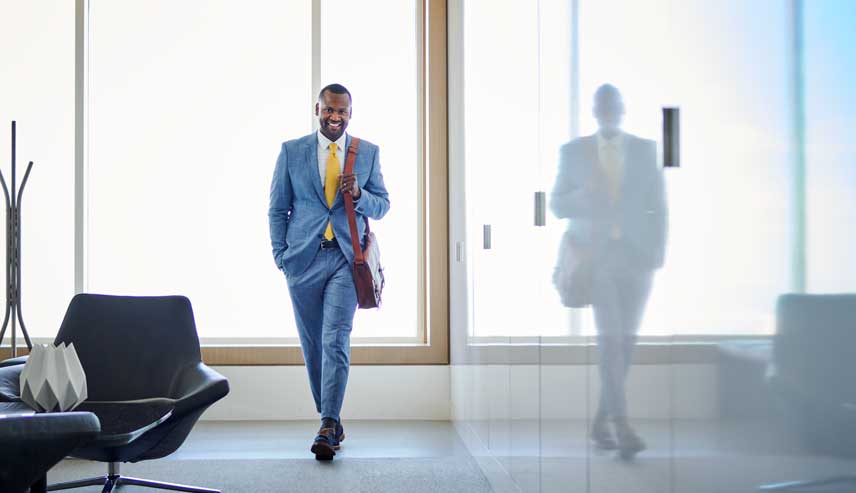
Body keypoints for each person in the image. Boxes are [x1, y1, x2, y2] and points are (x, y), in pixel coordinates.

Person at [268, 83, 390, 460]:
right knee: (313, 344)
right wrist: (281, 256)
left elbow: (383, 206)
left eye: (342, 111)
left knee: (335, 337)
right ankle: (331, 419)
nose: (335, 117)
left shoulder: (366, 153)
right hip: (302, 260)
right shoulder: (292, 152)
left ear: (350, 113)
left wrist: (360, 196)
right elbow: (277, 209)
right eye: (329, 110)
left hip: (345, 259)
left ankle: (327, 423)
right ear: (317, 110)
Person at [550, 84, 667, 460]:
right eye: (603, 105)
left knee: (625, 341)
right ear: (595, 111)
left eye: (615, 104)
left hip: (637, 259)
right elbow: (556, 204)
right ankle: (621, 424)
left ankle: (602, 421)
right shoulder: (574, 152)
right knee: (610, 339)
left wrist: (656, 255)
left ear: (623, 108)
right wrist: (578, 199)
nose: (609, 111)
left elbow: (659, 207)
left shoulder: (645, 150)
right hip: (595, 258)